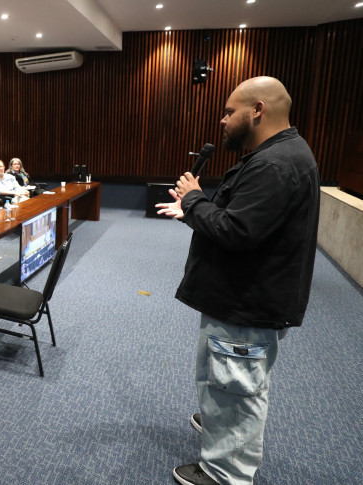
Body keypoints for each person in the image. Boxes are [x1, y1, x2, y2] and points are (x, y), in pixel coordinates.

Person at [155, 77, 320, 485]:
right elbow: (244, 224)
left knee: (237, 387)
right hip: (244, 295)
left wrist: (194, 199)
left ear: (257, 110)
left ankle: (225, 474)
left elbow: (238, 232)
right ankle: (220, 420)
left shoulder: (274, 164)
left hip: (248, 303)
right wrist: (194, 212)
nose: (223, 120)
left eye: (230, 112)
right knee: (229, 381)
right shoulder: (279, 155)